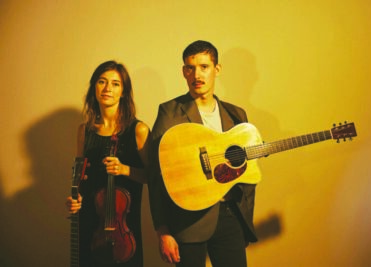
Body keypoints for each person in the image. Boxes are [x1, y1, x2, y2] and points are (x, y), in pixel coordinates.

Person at [148, 40, 258, 267]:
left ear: (217, 69)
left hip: (230, 217)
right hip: (188, 221)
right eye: (190, 68)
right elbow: (156, 175)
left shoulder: (237, 115)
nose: (196, 74)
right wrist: (163, 231)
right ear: (183, 71)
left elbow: (247, 172)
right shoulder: (169, 112)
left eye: (204, 67)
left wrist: (243, 219)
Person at [65, 60, 151, 267]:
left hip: (123, 230)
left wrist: (125, 169)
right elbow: (80, 178)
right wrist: (74, 199)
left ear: (123, 92)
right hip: (90, 222)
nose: (107, 89)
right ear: (94, 87)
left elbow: (153, 177)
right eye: (102, 82)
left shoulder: (138, 130)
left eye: (115, 84)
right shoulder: (84, 131)